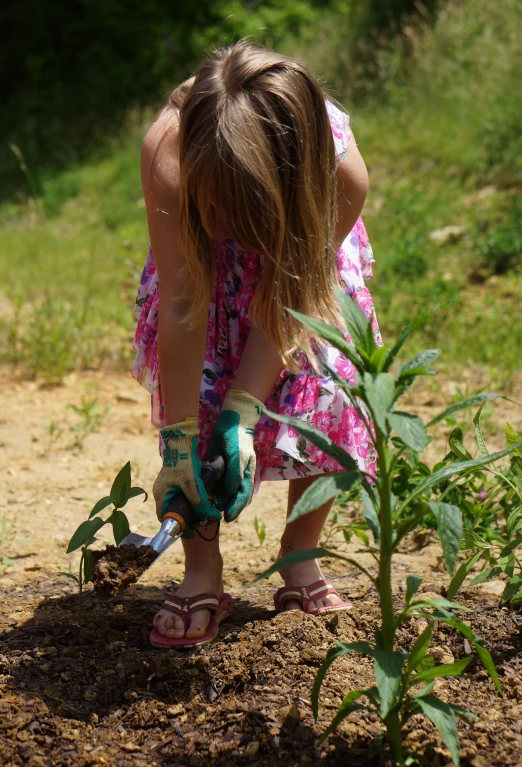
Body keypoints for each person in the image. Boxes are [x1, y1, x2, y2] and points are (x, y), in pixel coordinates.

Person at [132, 40, 382, 648]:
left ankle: (300, 554)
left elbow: (294, 292)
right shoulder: (168, 150)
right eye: (221, 202)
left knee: (327, 386)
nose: (233, 221)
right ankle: (202, 567)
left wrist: (248, 411)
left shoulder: (339, 174)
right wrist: (181, 440)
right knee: (203, 395)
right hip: (203, 276)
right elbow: (186, 305)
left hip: (300, 264)